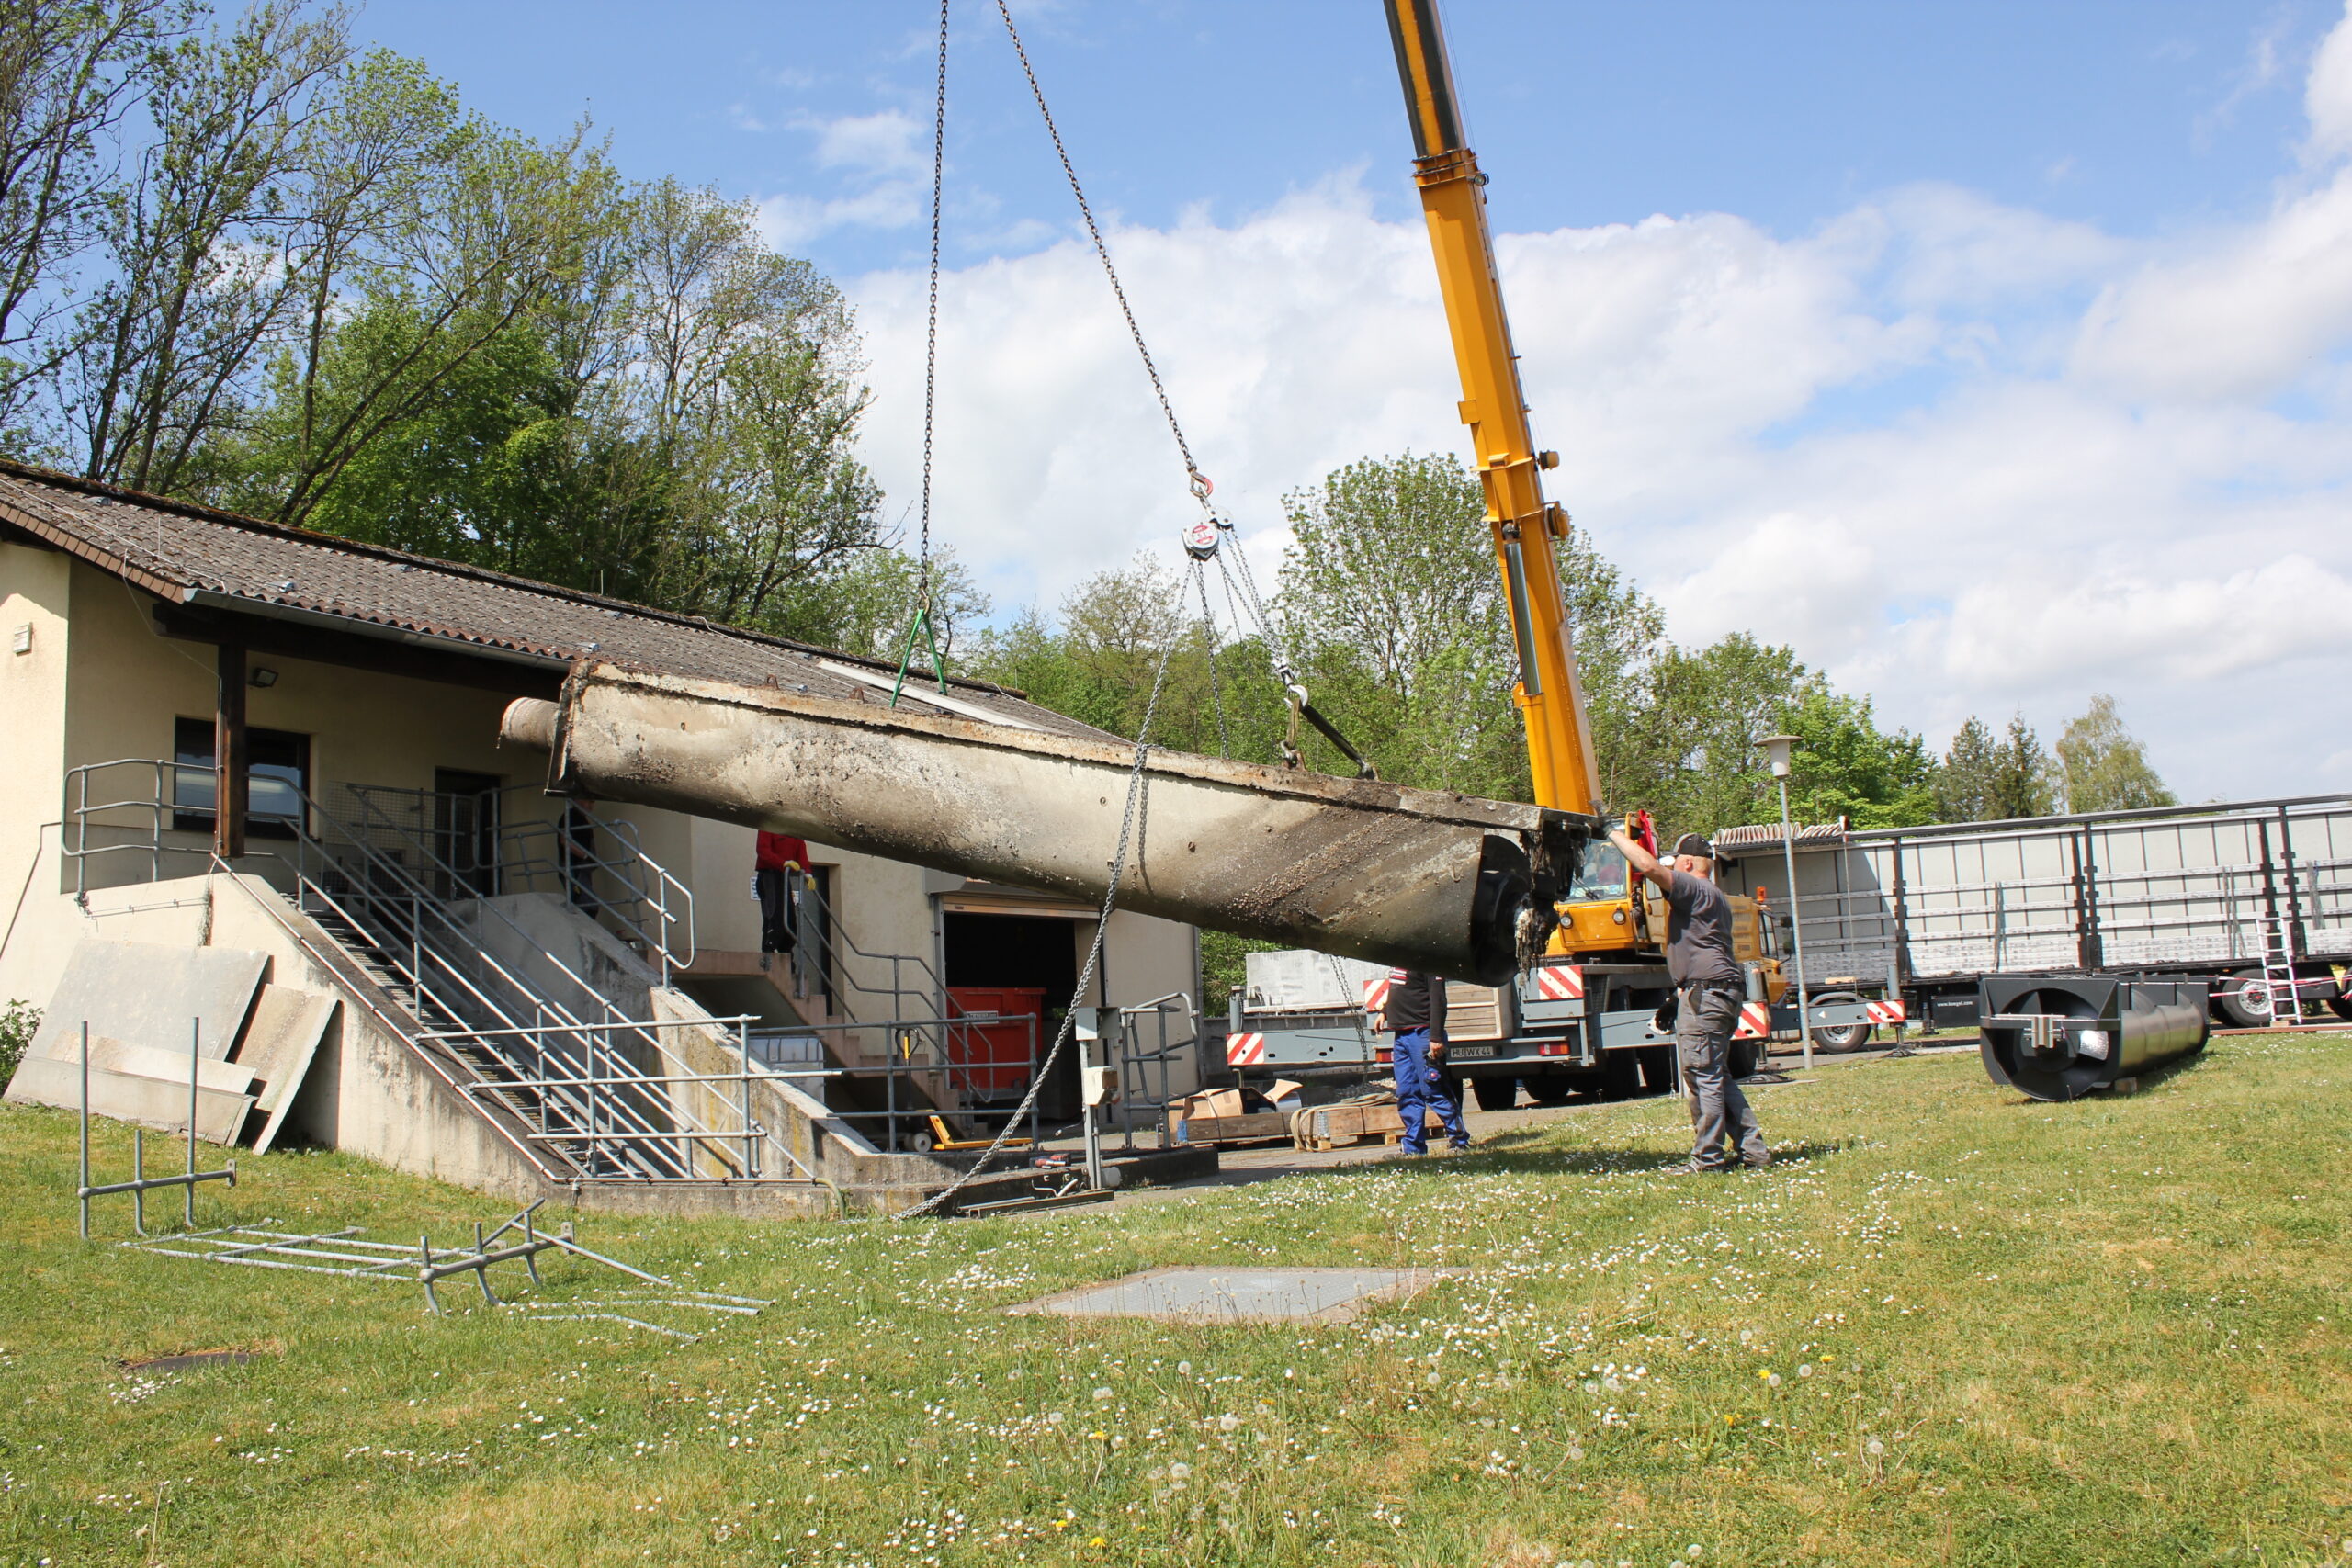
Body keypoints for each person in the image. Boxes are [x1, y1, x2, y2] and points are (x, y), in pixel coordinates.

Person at [1608, 826, 1771, 1173]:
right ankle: (1753, 1153)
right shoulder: (1713, 894)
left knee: (1702, 1077)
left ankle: (1707, 1160)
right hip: (1713, 991)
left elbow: (1650, 868)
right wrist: (1679, 994)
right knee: (1716, 1075)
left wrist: (1613, 834)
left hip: (1708, 993)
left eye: (1674, 864)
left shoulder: (1695, 888)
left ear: (1685, 864)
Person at [1381, 967, 1471, 1155]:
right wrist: (1385, 1012)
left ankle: (1459, 1139)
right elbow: (1399, 989)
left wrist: (1436, 1037)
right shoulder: (1396, 956)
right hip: (1402, 1035)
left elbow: (1438, 999)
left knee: (1432, 1088)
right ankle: (1414, 1147)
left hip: (1422, 1034)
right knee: (1407, 1091)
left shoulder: (1427, 960)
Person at [754, 831, 809, 955]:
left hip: (783, 877)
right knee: (774, 916)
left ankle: (786, 954)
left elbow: (802, 856)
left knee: (790, 920)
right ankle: (768, 952)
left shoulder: (795, 833)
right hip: (768, 875)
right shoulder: (768, 828)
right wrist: (782, 863)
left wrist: (808, 874)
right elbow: (763, 851)